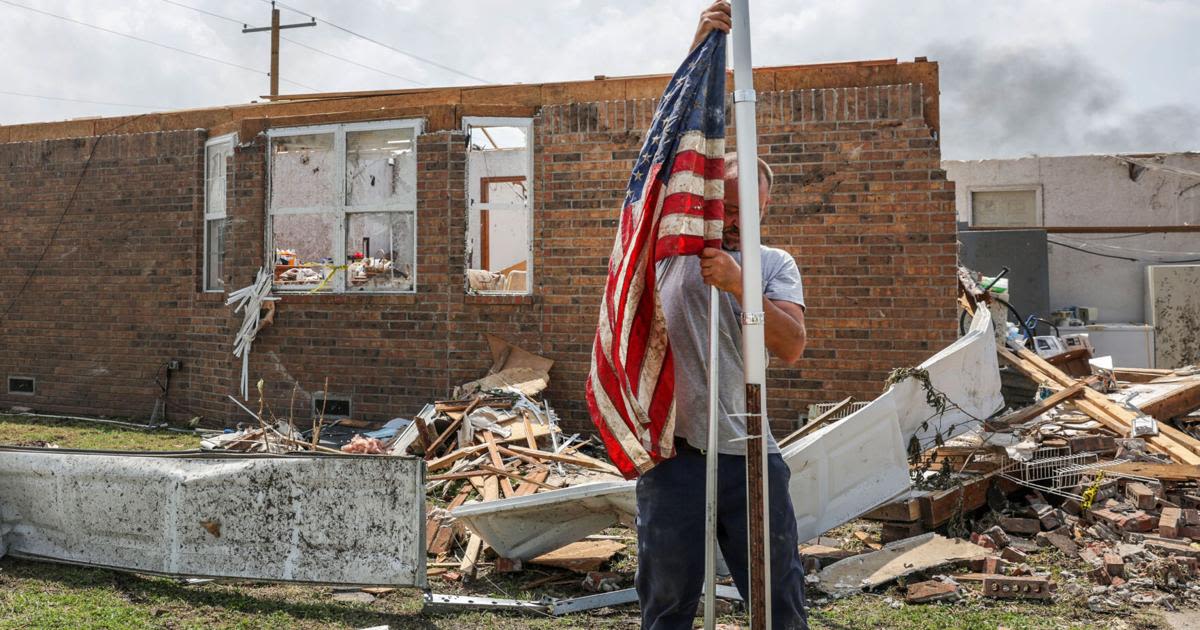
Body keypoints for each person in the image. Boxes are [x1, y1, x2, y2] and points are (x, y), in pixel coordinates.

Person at [634, 4, 810, 628]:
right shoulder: (670, 247)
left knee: (777, 598)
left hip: (751, 451)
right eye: (727, 206)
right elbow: (663, 154)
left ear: (767, 207)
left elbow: (791, 346)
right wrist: (699, 46)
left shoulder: (774, 263)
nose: (736, 221)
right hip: (677, 456)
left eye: (750, 211)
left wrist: (740, 286)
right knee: (668, 603)